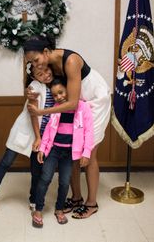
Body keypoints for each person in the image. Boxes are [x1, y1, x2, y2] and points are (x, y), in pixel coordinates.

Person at [24, 36, 111, 219]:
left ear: (46, 52)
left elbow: (71, 103)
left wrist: (41, 111)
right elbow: (51, 86)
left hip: (94, 102)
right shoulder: (50, 63)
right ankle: (76, 198)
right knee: (73, 151)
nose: (36, 66)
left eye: (36, 60)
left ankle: (91, 203)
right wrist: (30, 91)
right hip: (79, 103)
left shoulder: (70, 61)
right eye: (31, 62)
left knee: (90, 153)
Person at [0, 65, 55, 214]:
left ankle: (33, 200)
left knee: (36, 170)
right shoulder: (34, 86)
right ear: (34, 77)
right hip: (25, 131)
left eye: (46, 70)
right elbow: (33, 113)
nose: (45, 75)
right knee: (6, 162)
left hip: (43, 135)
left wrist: (41, 138)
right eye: (40, 74)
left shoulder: (56, 85)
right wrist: (37, 137)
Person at [31, 78, 94, 228]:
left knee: (65, 182)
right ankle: (38, 210)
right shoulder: (56, 107)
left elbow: (89, 132)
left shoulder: (83, 107)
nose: (59, 97)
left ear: (69, 90)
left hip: (69, 152)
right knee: (45, 178)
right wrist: (43, 149)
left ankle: (59, 209)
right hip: (54, 150)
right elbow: (48, 130)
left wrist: (86, 152)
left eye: (61, 92)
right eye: (55, 95)